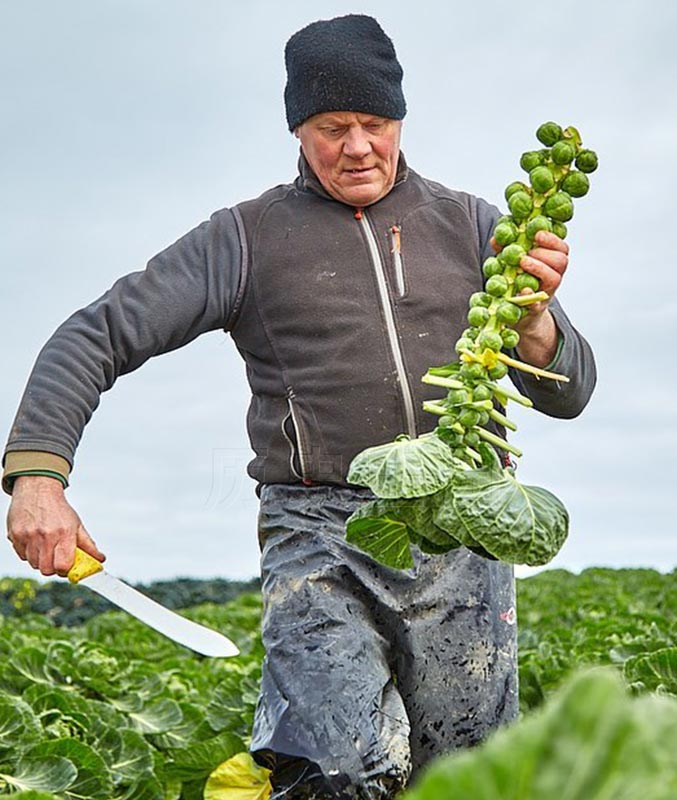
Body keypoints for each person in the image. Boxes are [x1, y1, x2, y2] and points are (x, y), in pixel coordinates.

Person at [3, 14, 596, 800]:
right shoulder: (244, 238)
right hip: (321, 537)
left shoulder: (477, 226)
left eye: (374, 124)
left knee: (466, 777)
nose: (357, 146)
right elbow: (96, 334)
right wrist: (37, 476)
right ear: (297, 129)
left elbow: (575, 390)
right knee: (337, 769)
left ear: (400, 120)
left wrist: (533, 323)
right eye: (332, 127)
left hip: (462, 533)